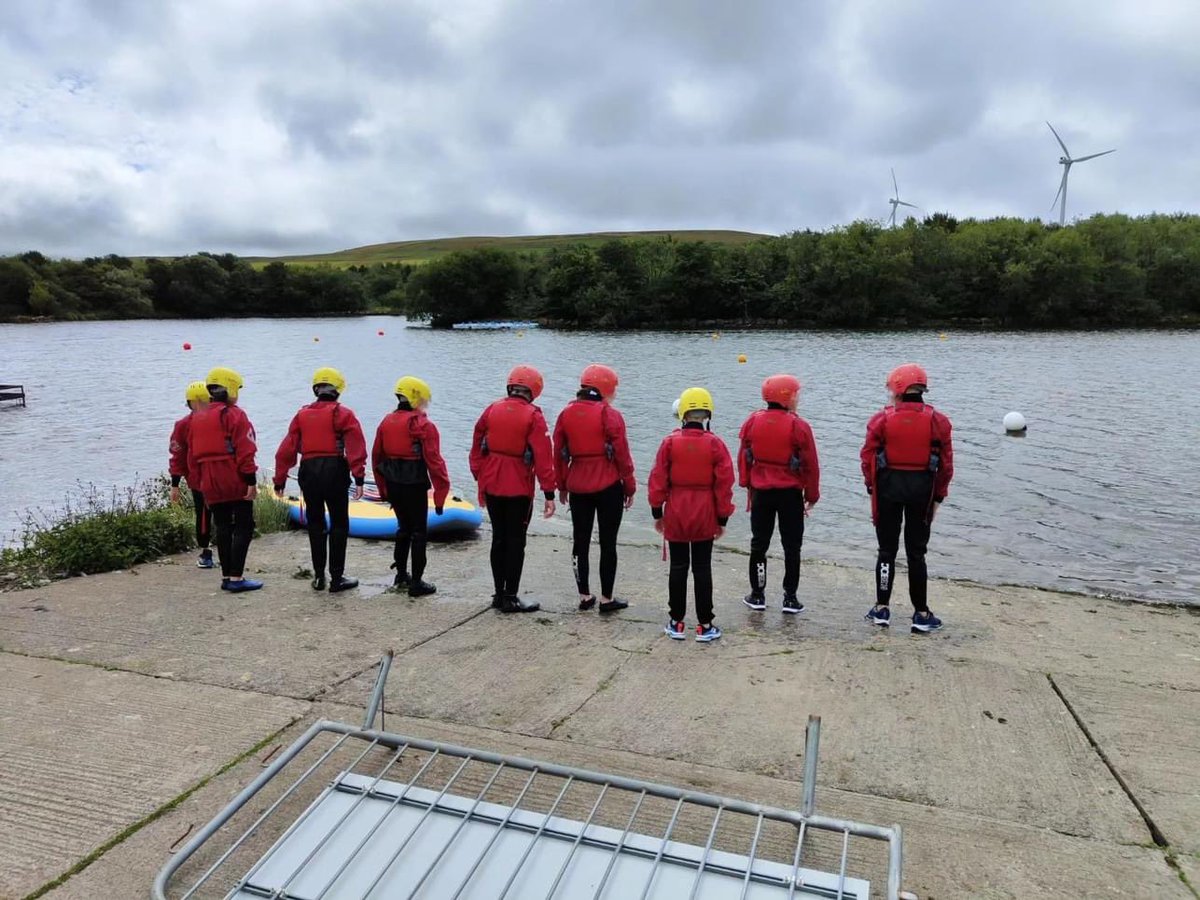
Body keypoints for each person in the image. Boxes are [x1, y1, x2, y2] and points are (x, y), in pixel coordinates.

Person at [860, 363, 954, 633]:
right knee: (916, 553)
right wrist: (938, 497)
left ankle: (881, 608)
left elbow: (867, 458)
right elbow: (946, 466)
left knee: (886, 550)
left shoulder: (881, 419)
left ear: (898, 389)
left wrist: (871, 487)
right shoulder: (939, 421)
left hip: (887, 490)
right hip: (922, 492)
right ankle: (921, 613)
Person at [648, 387, 735, 642]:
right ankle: (705, 625)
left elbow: (657, 480)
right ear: (707, 415)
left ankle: (676, 622)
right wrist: (722, 518)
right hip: (705, 510)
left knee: (678, 566)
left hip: (676, 509)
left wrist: (657, 512)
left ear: (683, 414)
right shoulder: (716, 444)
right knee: (702, 567)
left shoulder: (669, 443)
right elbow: (724, 484)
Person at [469, 365, 556, 613]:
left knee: (499, 538)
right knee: (516, 541)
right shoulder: (534, 416)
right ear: (534, 389)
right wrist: (549, 493)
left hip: (491, 482)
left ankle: (499, 594)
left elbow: (476, 446)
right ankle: (510, 597)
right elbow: (544, 457)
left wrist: (480, 475)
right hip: (518, 486)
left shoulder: (491, 409)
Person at [273, 367, 367, 593]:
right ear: (338, 390)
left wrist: (279, 480)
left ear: (316, 390)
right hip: (335, 471)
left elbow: (286, 450)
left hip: (309, 472)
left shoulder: (301, 415)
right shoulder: (344, 414)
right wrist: (359, 477)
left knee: (315, 524)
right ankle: (337, 578)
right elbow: (356, 448)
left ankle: (318, 577)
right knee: (339, 524)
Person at [552, 364, 635, 614]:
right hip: (608, 486)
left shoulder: (565, 414)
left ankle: (584, 596)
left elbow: (559, 453)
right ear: (605, 388)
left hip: (578, 484)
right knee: (608, 543)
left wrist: (562, 485)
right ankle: (607, 599)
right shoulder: (610, 414)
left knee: (581, 541)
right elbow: (622, 454)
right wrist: (629, 486)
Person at [737, 374, 820, 613]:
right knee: (792, 546)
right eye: (796, 394)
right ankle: (790, 598)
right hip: (790, 495)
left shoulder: (752, 421)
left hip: (761, 493)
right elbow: (811, 464)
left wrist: (746, 482)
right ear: (787, 397)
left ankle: (757, 594)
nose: (798, 398)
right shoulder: (799, 426)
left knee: (759, 543)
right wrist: (812, 495)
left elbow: (744, 456)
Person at [372, 375, 450, 597]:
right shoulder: (424, 425)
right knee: (418, 532)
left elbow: (377, 457)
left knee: (403, 528)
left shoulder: (386, 421)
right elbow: (435, 463)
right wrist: (440, 496)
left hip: (393, 483)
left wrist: (383, 489)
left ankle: (401, 575)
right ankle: (416, 583)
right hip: (414, 483)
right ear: (417, 398)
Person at [189, 366, 262, 592]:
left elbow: (192, 456)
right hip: (233, 477)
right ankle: (236, 578)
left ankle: (226, 577)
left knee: (222, 525)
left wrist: (200, 484)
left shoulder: (196, 418)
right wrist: (251, 481)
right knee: (244, 526)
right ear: (230, 389)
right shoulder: (235, 415)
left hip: (209, 481)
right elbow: (246, 450)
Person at [169, 380, 215, 569]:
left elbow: (177, 456)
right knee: (205, 515)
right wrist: (175, 484)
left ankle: (211, 552)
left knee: (208, 515)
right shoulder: (183, 425)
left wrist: (175, 485)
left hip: (210, 477)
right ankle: (207, 552)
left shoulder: (216, 420)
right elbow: (177, 455)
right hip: (202, 479)